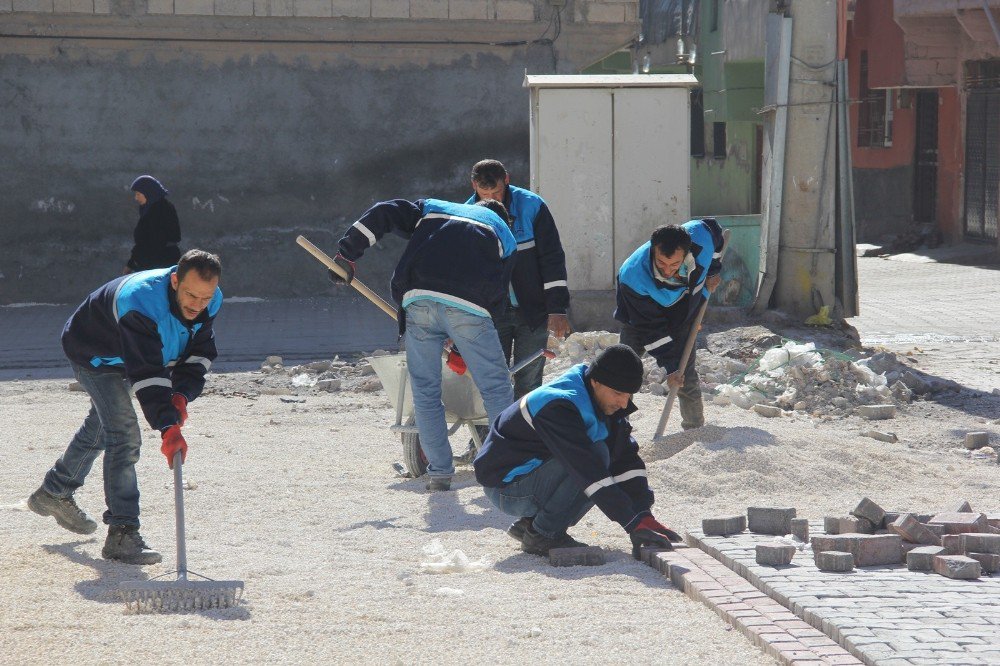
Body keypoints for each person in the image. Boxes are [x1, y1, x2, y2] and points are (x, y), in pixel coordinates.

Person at [28, 250, 223, 565]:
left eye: (205, 297)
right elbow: (147, 372)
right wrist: (167, 426)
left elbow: (199, 353)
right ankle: (122, 533)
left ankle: (54, 491)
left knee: (104, 426)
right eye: (190, 295)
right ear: (175, 281)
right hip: (94, 354)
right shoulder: (140, 303)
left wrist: (182, 395)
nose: (197, 305)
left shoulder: (208, 299)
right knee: (124, 434)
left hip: (128, 355)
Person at [331, 198, 517, 491]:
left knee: (426, 392)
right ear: (503, 220)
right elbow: (497, 296)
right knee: (496, 387)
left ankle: (440, 473)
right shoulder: (503, 233)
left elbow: (384, 212)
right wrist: (461, 349)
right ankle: (507, 469)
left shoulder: (433, 208)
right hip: (469, 306)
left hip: (416, 297)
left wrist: (347, 253)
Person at [474, 344, 683, 558]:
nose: (623, 403)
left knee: (603, 454)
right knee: (597, 458)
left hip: (530, 475)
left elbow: (624, 458)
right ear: (595, 381)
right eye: (618, 393)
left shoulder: (602, 399)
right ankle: (542, 535)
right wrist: (631, 524)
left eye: (628, 394)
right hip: (506, 488)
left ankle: (530, 525)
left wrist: (642, 514)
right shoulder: (559, 404)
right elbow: (587, 469)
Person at [465, 159, 571, 398]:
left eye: (497, 192)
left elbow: (552, 258)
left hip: (533, 311)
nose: (492, 200)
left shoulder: (533, 206)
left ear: (507, 180)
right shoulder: (466, 215)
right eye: (485, 193)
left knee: (529, 379)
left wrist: (557, 309)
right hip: (491, 314)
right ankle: (487, 435)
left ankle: (522, 432)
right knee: (491, 380)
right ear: (473, 186)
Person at [614, 219, 725, 430]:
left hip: (682, 313)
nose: (667, 271)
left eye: (674, 265)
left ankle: (694, 430)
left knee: (686, 375)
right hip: (639, 318)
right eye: (661, 263)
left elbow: (717, 235)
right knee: (622, 371)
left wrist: (713, 270)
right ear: (653, 250)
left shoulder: (702, 234)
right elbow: (651, 328)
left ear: (687, 252)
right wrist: (670, 366)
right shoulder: (633, 276)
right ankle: (616, 427)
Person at [124, 175, 181, 274]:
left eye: (138, 194)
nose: (136, 198)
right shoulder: (150, 209)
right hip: (155, 263)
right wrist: (132, 263)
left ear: (148, 193)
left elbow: (151, 241)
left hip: (159, 264)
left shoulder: (160, 211)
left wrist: (133, 264)